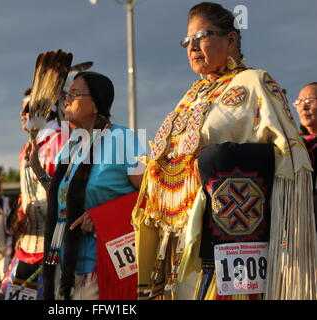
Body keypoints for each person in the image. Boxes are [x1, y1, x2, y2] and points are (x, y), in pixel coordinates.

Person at [132, 2, 317, 300]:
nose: (191, 46)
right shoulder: (191, 94)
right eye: (186, 40)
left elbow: (289, 160)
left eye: (201, 36)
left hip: (232, 237)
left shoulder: (256, 82)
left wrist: (215, 161)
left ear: (231, 39)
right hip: (179, 240)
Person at [28, 71, 145, 300]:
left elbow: (151, 194)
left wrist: (104, 215)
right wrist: (39, 171)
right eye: (66, 94)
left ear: (95, 104)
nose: (66, 100)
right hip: (66, 264)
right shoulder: (71, 145)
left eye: (74, 94)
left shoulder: (122, 139)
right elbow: (63, 199)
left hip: (103, 264)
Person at [1, 88, 64, 299]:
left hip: (56, 244)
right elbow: (27, 192)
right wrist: (20, 213)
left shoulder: (61, 141)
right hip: (28, 242)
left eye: (27, 109)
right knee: (9, 291)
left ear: (46, 112)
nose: (21, 114)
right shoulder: (26, 148)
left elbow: (64, 193)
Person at [295, 82, 317, 229]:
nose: (303, 107)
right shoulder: (295, 145)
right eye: (299, 102)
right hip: (302, 225)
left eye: (310, 100)